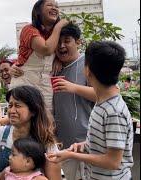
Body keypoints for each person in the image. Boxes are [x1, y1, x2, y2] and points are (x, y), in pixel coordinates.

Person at [46, 41, 134, 180]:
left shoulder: (113, 112)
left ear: (87, 70)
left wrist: (71, 155)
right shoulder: (102, 103)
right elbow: (104, 144)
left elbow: (113, 162)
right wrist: (83, 146)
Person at [0, 85, 61, 179]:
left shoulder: (47, 143)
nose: (12, 110)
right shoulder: (1, 134)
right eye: (10, 105)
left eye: (17, 106)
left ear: (33, 111)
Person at [52, 23, 96, 180]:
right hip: (63, 146)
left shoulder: (89, 64)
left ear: (78, 42)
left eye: (67, 41)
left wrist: (73, 87)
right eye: (58, 42)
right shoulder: (54, 67)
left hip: (87, 144)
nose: (62, 46)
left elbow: (103, 94)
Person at [9, 0, 68, 110]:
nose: (54, 8)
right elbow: (46, 49)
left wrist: (58, 59)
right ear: (38, 11)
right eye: (50, 5)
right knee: (24, 121)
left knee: (47, 122)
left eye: (57, 6)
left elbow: (66, 50)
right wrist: (58, 26)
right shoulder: (29, 30)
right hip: (24, 81)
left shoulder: (58, 33)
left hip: (46, 85)